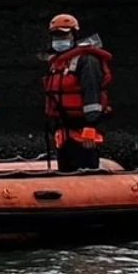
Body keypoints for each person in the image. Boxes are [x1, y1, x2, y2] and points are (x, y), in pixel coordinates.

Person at [43, 13, 114, 171]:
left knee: (86, 171)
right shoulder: (58, 63)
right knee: (66, 171)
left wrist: (90, 127)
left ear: (74, 35)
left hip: (83, 132)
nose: (59, 39)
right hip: (64, 131)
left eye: (64, 35)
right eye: (56, 35)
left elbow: (92, 96)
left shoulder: (87, 61)